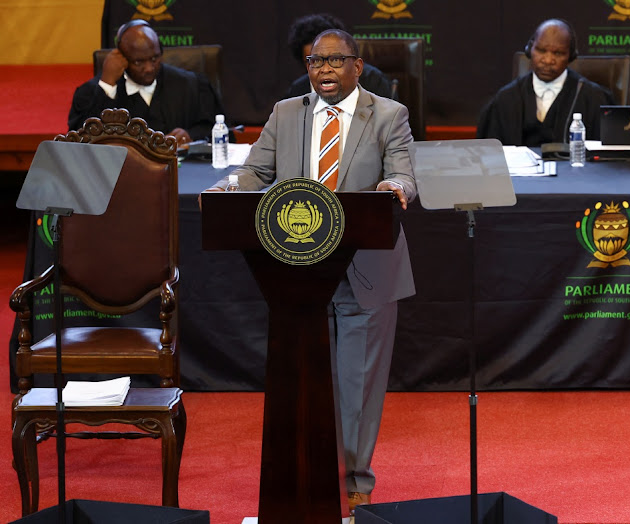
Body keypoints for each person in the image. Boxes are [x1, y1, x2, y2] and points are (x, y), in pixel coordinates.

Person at [203, 29, 416, 516]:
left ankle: (356, 482)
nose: (323, 69)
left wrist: (393, 185)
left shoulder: (388, 114)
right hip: (297, 272)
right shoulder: (285, 113)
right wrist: (228, 187)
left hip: (366, 266)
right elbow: (256, 174)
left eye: (335, 61)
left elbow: (404, 173)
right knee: (308, 382)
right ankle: (309, 474)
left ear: (357, 67)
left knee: (357, 383)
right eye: (315, 61)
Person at [68, 20, 222, 145]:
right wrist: (107, 85)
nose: (149, 68)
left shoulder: (190, 84)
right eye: (138, 62)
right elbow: (80, 142)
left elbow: (219, 128)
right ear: (122, 58)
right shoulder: (92, 91)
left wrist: (191, 135)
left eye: (154, 58)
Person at [477, 18, 614, 146]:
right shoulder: (505, 99)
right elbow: (488, 157)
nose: (548, 60)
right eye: (541, 50)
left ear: (571, 56)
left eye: (558, 53)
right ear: (529, 50)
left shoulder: (593, 99)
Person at [284, 13, 395, 100]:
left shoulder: (373, 81)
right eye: (315, 61)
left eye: (334, 59)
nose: (325, 69)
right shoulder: (297, 91)